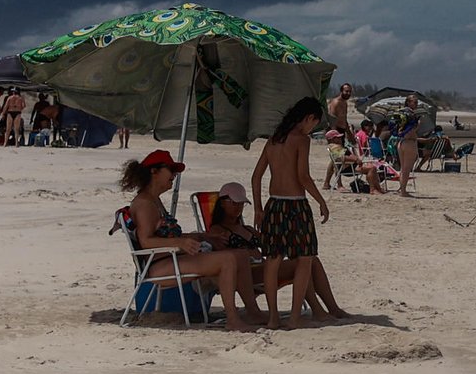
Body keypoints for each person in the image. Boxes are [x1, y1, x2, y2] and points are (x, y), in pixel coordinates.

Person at [120, 150, 259, 329]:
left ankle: (253, 312)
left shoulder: (154, 200)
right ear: (154, 171)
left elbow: (166, 235)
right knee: (228, 259)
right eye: (170, 170)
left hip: (171, 259)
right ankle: (233, 319)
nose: (174, 175)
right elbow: (146, 242)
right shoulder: (145, 204)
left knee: (239, 255)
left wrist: (204, 236)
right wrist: (179, 243)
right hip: (158, 266)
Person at [249, 97, 343, 324]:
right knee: (304, 258)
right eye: (314, 123)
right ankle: (293, 317)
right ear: (308, 118)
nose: (313, 128)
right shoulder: (302, 140)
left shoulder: (273, 140)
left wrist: (258, 209)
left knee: (272, 260)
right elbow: (303, 176)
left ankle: (273, 317)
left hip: (273, 205)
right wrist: (321, 200)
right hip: (295, 205)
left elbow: (256, 176)